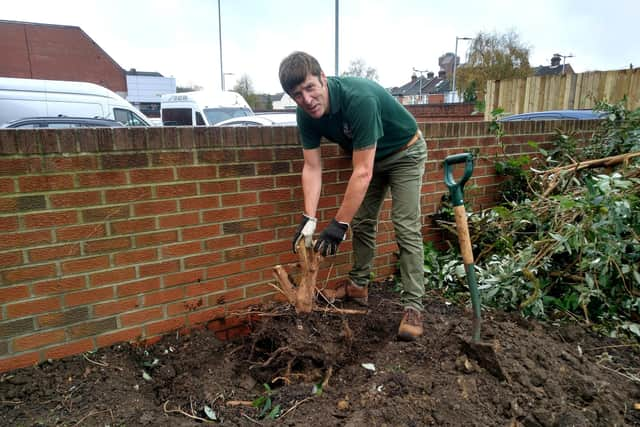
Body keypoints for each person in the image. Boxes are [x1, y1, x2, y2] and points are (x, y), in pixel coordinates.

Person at [279, 51, 428, 341]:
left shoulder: (358, 98)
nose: (306, 99)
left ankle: (413, 307)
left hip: (404, 153)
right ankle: (358, 287)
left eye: (310, 88)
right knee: (362, 223)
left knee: (405, 225)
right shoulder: (305, 115)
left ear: (323, 78)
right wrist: (309, 218)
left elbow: (362, 172)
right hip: (369, 160)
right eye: (297, 95)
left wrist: (338, 224)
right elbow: (312, 166)